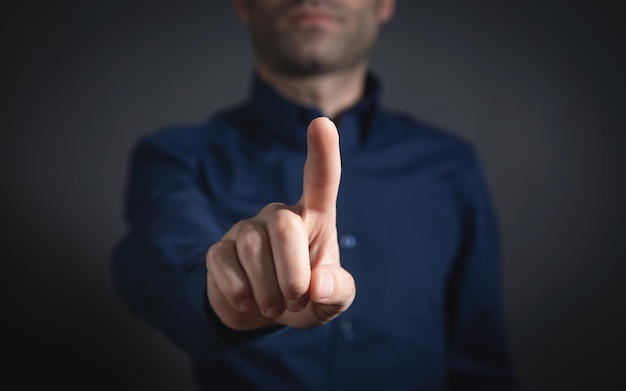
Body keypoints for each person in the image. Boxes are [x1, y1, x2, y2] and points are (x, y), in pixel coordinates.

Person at [112, 0, 518, 389]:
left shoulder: (450, 165)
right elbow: (159, 270)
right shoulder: (176, 157)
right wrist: (224, 301)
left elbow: (480, 361)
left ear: (384, 3)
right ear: (244, 2)